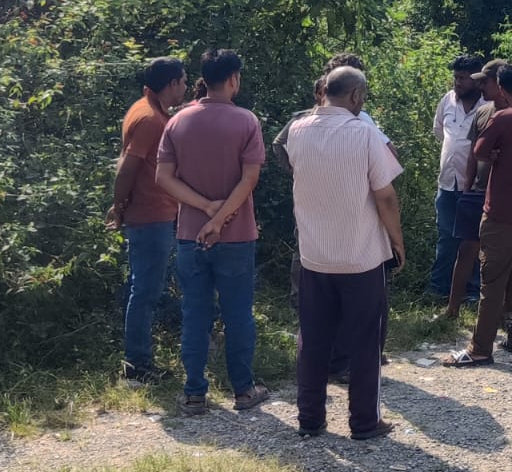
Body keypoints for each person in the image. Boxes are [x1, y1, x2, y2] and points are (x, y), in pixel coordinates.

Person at [283, 65, 405, 440]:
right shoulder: (364, 133)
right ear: (355, 96)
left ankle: (310, 418)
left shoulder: (296, 130)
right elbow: (385, 196)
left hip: (313, 256)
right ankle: (364, 422)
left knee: (313, 339)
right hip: (360, 256)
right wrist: (397, 242)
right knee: (365, 341)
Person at [155, 49, 270, 415]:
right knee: (238, 314)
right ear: (233, 78)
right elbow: (249, 179)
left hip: (190, 232)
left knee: (195, 314)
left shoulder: (177, 122)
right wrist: (220, 219)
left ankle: (194, 393)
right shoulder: (246, 121)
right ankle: (243, 390)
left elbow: (163, 177)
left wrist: (205, 208)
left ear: (204, 78)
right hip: (236, 235)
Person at [442, 64, 512, 367]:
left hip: (502, 208)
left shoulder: (503, 118)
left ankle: (480, 348)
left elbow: (479, 150)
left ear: (501, 88)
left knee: (492, 279)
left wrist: (494, 153)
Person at [105, 57, 188, 384]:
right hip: (151, 215)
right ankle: (137, 365)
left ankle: (138, 360)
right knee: (145, 291)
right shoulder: (151, 120)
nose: (185, 87)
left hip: (152, 213)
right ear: (171, 84)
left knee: (145, 288)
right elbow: (128, 166)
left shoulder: (145, 109)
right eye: (183, 82)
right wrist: (118, 205)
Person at [438, 59, 510, 322]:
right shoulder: (465, 107)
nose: (460, 83)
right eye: (456, 77)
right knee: (455, 243)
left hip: (497, 192)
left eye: (482, 81)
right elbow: (468, 150)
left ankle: (492, 305)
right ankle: (446, 299)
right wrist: (468, 184)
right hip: (461, 187)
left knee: (492, 250)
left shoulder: (508, 112)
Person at [428, 55, 486, 301]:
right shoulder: (448, 100)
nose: (458, 83)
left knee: (472, 239)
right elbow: (439, 132)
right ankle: (438, 288)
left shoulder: (488, 105)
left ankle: (471, 291)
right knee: (446, 237)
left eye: (463, 78)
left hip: (474, 185)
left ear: (477, 79)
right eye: (456, 77)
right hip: (447, 183)